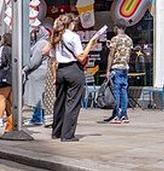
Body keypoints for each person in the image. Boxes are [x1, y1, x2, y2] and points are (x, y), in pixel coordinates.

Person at [45, 13, 104, 142]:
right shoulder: (73, 37)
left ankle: (57, 131)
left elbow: (53, 59)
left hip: (60, 70)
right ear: (71, 24)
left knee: (59, 101)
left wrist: (55, 75)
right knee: (72, 102)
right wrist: (90, 44)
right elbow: (81, 57)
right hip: (73, 69)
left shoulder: (56, 36)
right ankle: (67, 134)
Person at [104, 21, 133, 124]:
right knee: (124, 90)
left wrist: (108, 70)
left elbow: (111, 55)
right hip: (125, 67)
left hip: (116, 67)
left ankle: (117, 114)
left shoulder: (115, 39)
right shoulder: (129, 40)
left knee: (116, 91)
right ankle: (124, 114)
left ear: (116, 28)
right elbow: (127, 53)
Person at [23, 27, 50, 126]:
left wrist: (25, 69)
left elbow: (35, 61)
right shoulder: (44, 43)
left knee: (37, 96)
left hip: (38, 74)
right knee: (40, 96)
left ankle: (37, 117)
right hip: (42, 73)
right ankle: (39, 116)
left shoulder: (40, 44)